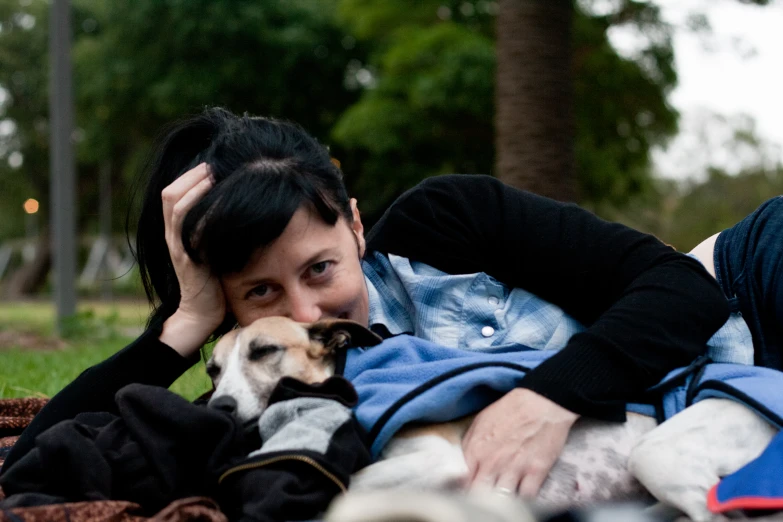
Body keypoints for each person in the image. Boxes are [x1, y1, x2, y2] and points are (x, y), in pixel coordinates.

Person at [0, 107, 729, 498]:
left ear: (353, 222)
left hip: (739, 301)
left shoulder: (448, 222)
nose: (309, 311)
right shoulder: (261, 391)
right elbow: (29, 469)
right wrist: (188, 322)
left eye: (320, 268)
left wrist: (546, 397)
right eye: (261, 291)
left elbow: (685, 288)